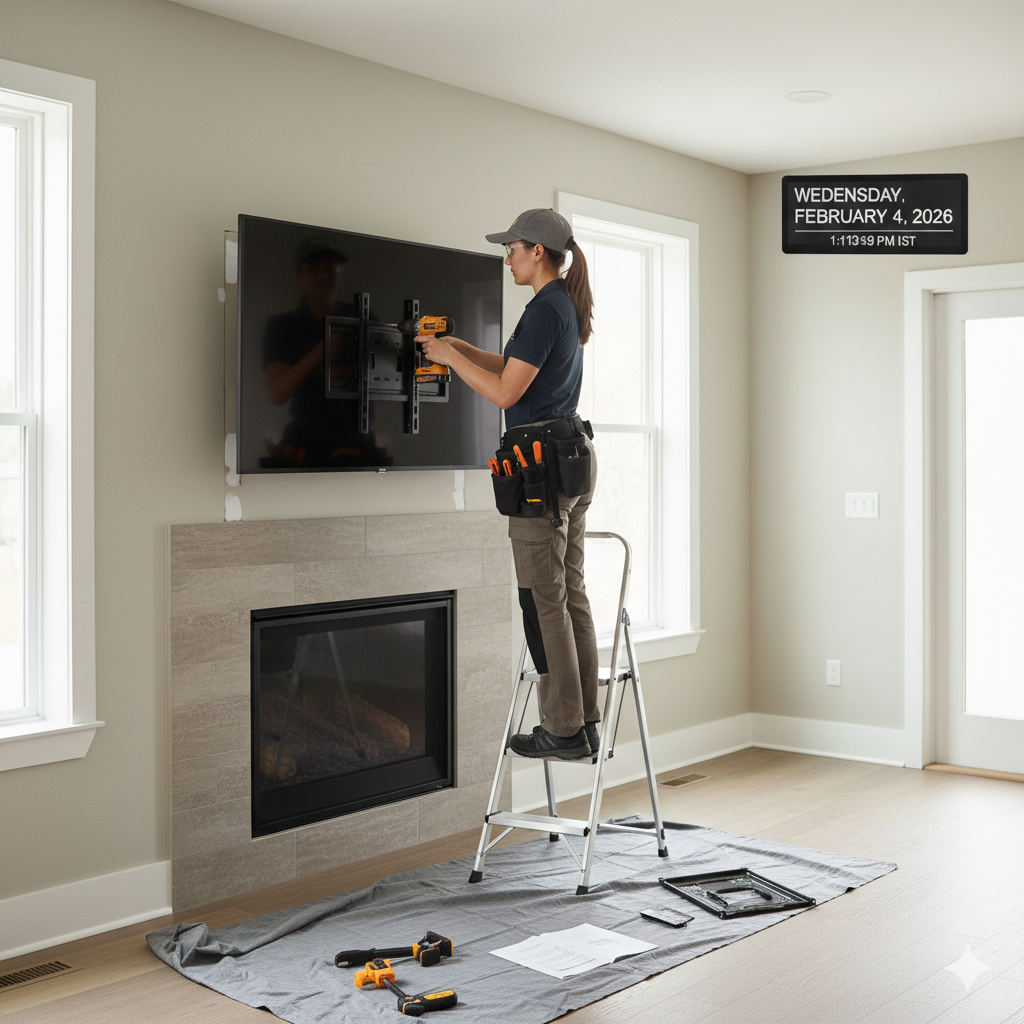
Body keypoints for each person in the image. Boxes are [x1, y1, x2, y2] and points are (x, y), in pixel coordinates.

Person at [418, 208, 600, 760]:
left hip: (538, 465)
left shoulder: (546, 308)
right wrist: (459, 349)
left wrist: (448, 358)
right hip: (569, 454)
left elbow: (505, 395)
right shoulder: (559, 305)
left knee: (542, 600)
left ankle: (562, 729)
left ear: (537, 251)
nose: (508, 257)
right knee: (569, 594)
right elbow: (511, 369)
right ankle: (585, 720)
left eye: (513, 248)